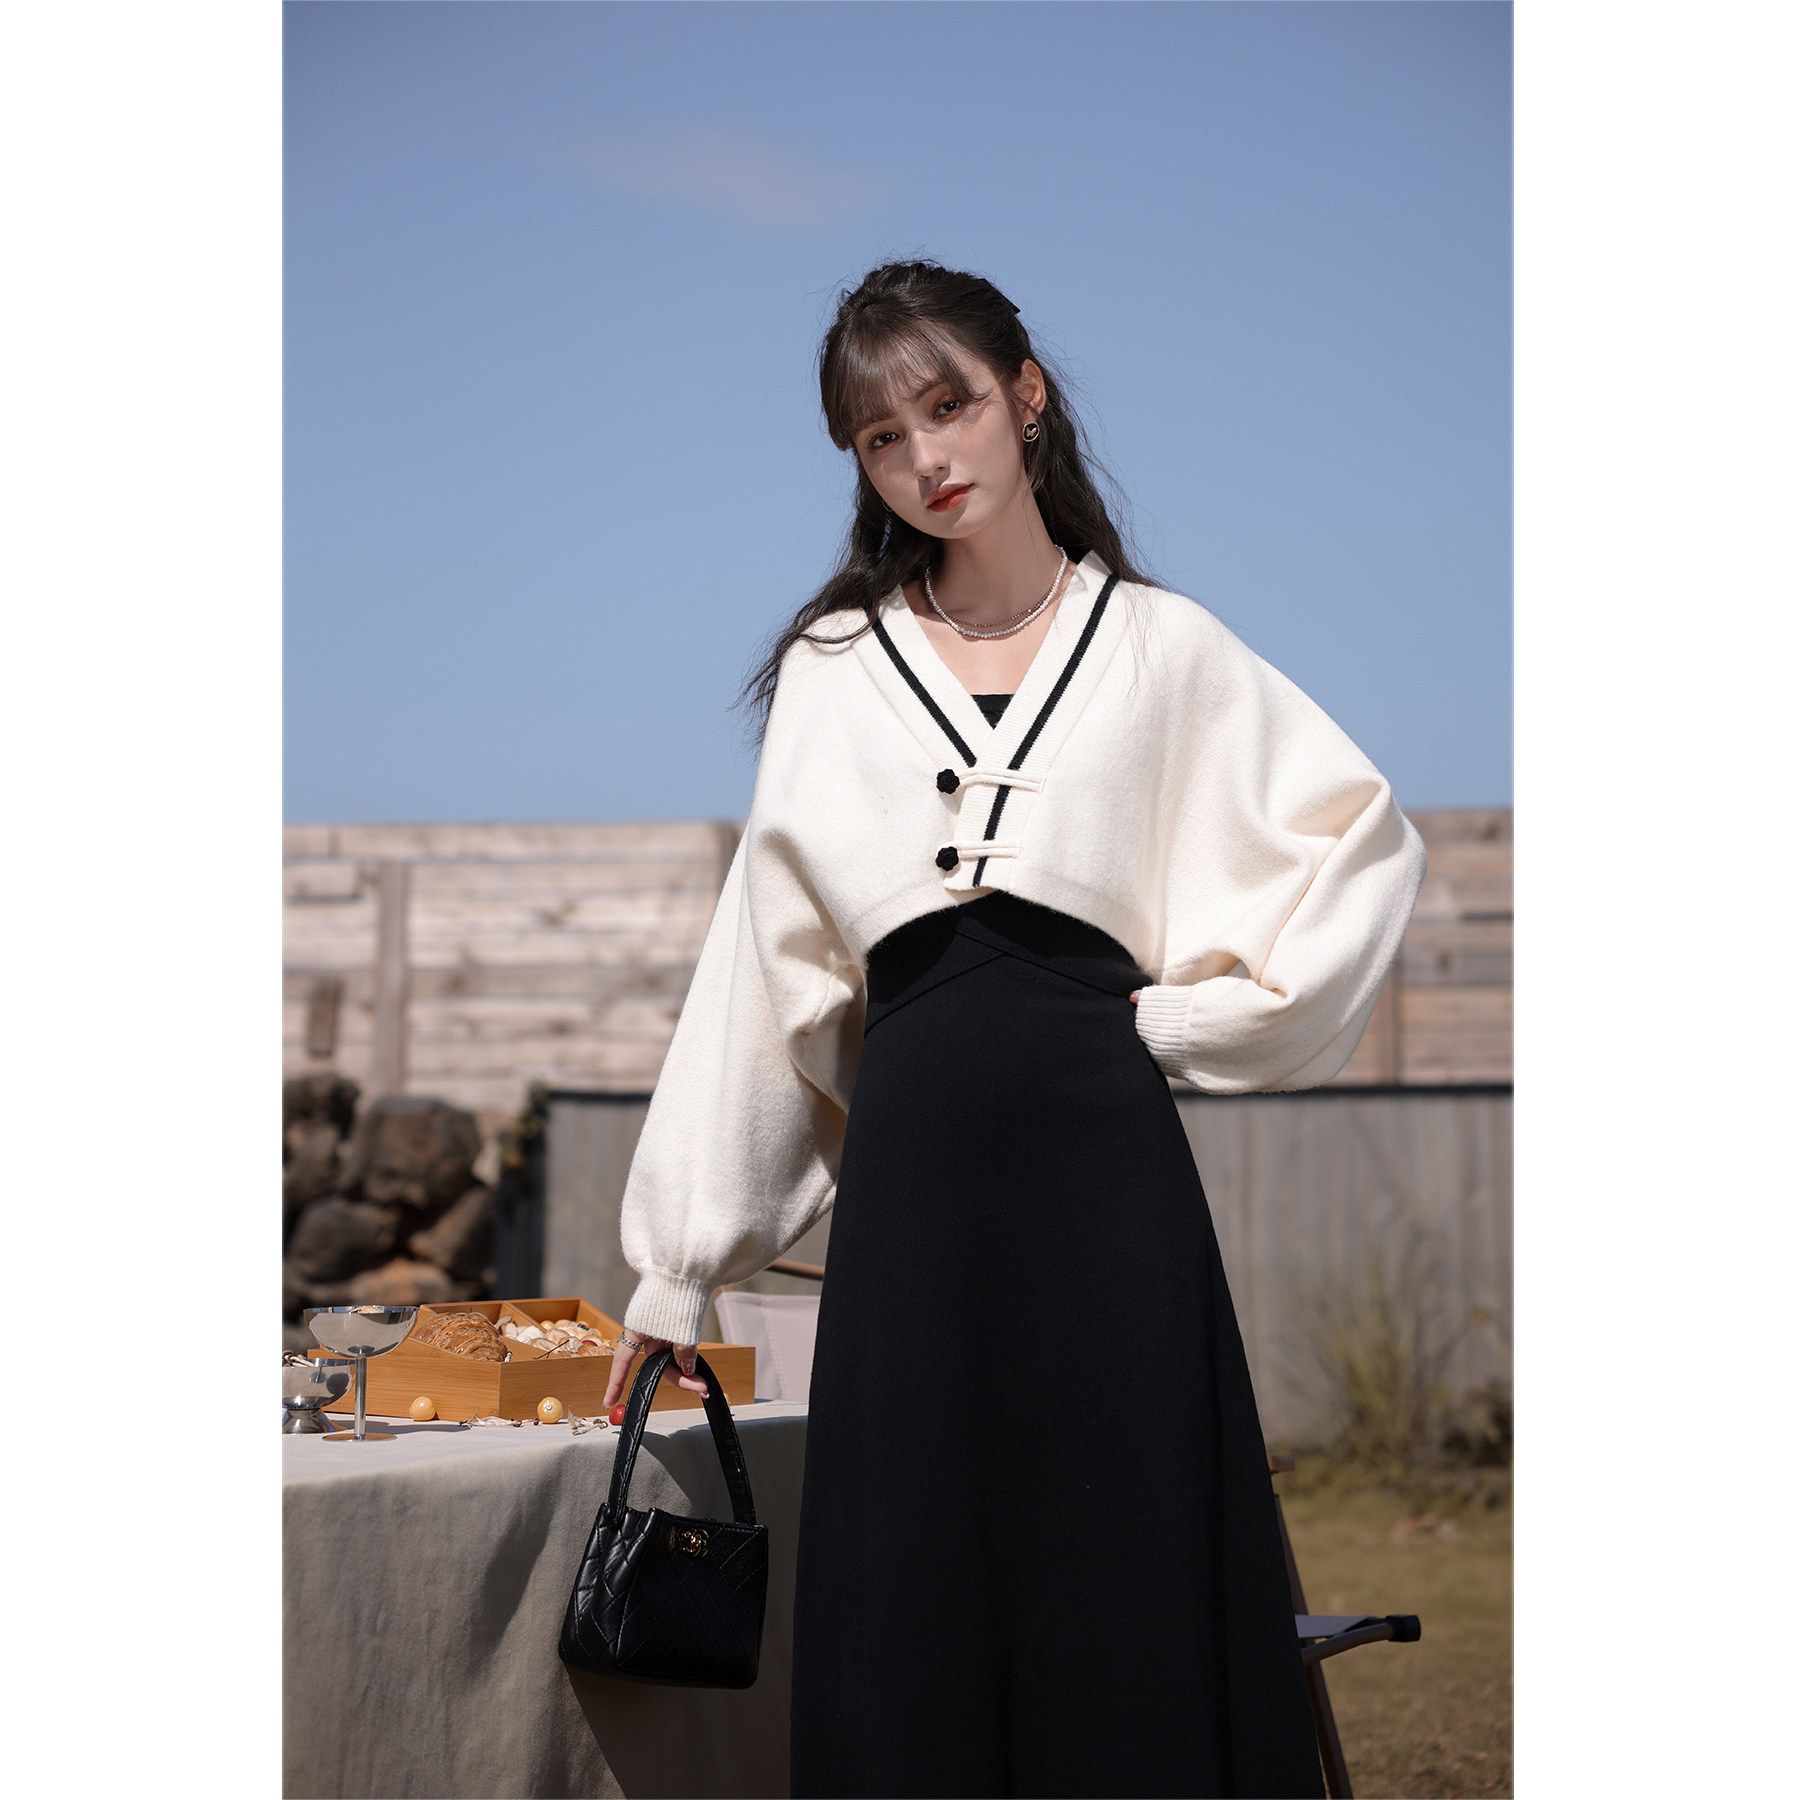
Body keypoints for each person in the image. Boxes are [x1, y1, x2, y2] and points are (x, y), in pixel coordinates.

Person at [602, 259, 1425, 1799]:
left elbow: (1357, 839)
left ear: (1024, 394)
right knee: (914, 1561)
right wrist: (681, 1259)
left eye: (949, 405)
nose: (926, 456)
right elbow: (766, 966)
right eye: (881, 436)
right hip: (915, 1175)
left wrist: (1193, 1024)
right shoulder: (837, 671)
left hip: (1106, 1162)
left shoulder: (1165, 648)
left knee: (1125, 1545)